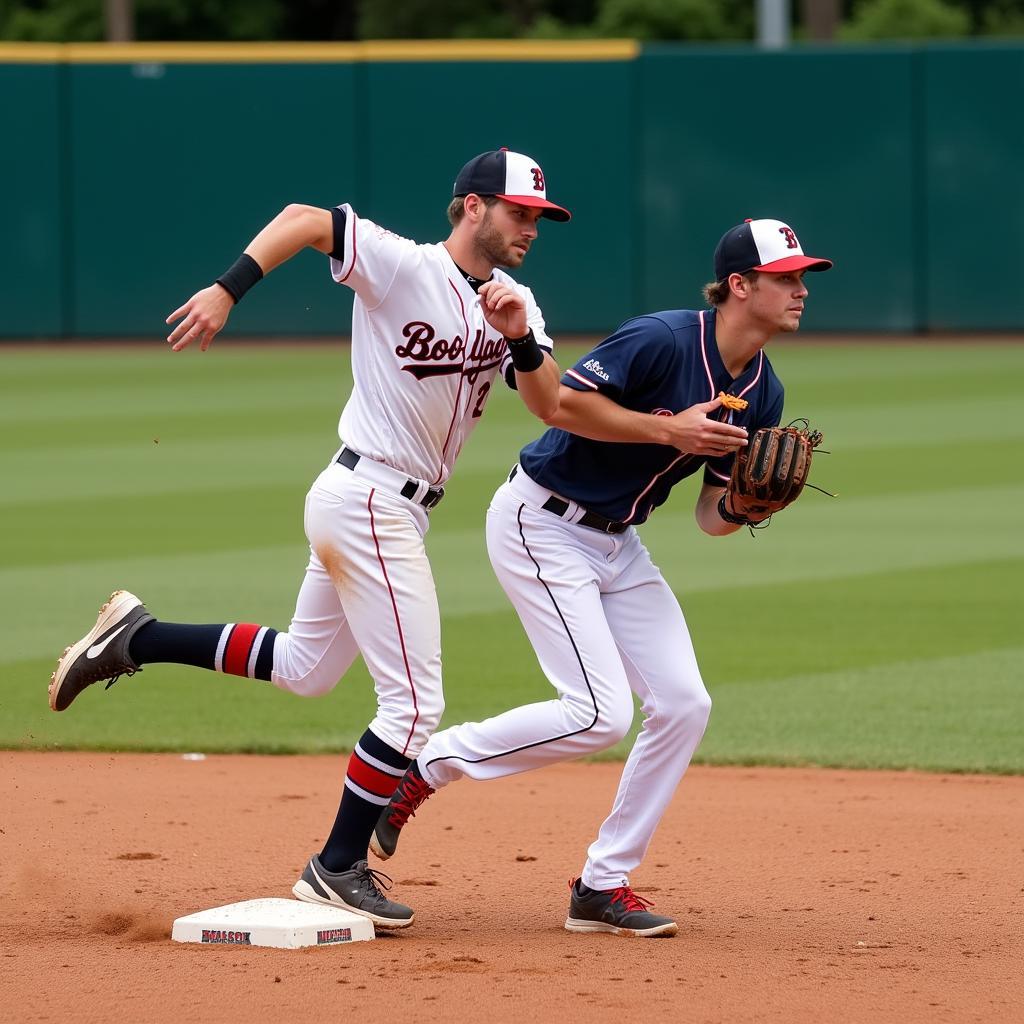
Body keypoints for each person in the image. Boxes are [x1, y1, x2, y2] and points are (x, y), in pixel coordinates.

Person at [47, 148, 570, 930]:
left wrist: (522, 338)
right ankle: (336, 867)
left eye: (539, 216)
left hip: (386, 506)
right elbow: (299, 221)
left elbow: (548, 402)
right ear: (471, 207)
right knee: (415, 704)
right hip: (368, 498)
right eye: (519, 212)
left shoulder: (514, 297)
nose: (532, 226)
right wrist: (227, 292)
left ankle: (138, 638)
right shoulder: (401, 266)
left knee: (305, 669)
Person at [369, 218, 833, 937]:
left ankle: (601, 884)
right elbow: (564, 405)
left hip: (620, 545)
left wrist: (744, 504)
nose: (802, 290)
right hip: (541, 522)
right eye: (788, 278)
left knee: (684, 704)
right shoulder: (662, 339)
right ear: (740, 286)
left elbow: (710, 515)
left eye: (804, 277)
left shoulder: (763, 389)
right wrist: (668, 429)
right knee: (598, 713)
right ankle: (427, 766)